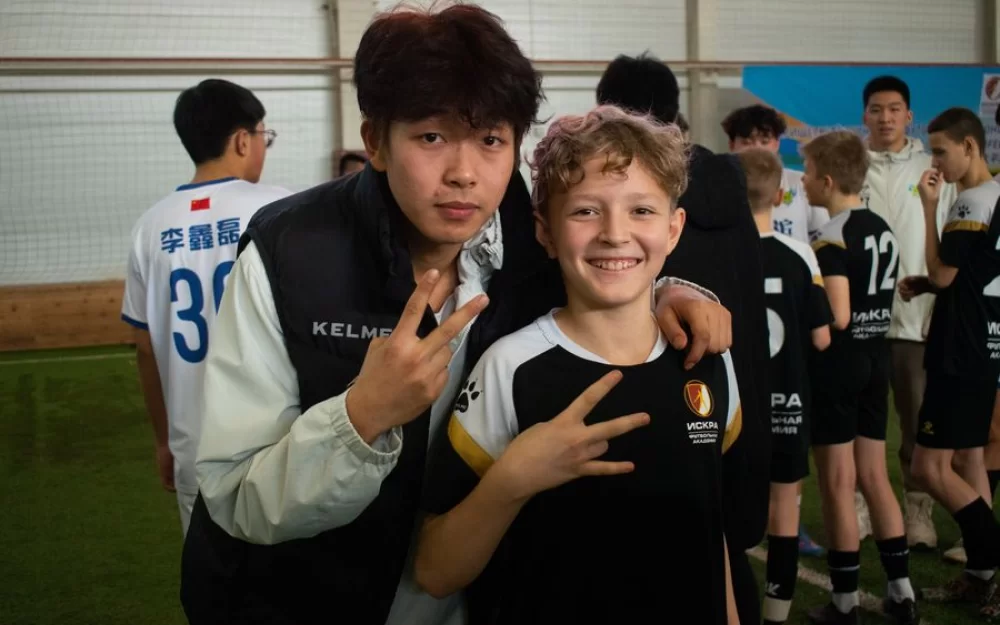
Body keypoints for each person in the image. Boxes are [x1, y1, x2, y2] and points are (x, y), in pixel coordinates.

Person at [178, 7, 731, 625]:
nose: (465, 174)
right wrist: (363, 416)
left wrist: (669, 291)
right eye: (431, 138)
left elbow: (608, 253)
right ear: (375, 142)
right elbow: (234, 495)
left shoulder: (531, 236)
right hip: (294, 600)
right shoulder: (290, 252)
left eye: (491, 139)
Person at [416, 105, 742, 625]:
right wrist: (512, 479)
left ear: (674, 229)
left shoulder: (707, 358)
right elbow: (434, 571)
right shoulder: (511, 368)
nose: (615, 233)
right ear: (545, 232)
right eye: (586, 211)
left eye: (641, 210)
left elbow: (708, 525)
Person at [596, 51, 771, 625]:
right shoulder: (729, 186)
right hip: (738, 398)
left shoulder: (638, 191)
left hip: (671, 408)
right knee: (725, 556)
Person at [120, 79, 289, 536]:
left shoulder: (150, 227)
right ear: (242, 140)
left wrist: (163, 442)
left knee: (211, 574)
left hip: (193, 451)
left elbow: (144, 348)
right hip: (278, 444)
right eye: (264, 136)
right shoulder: (281, 208)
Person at [804, 131, 916, 625]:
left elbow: (839, 315)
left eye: (809, 173)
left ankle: (844, 601)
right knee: (875, 475)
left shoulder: (831, 236)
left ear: (828, 181)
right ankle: (902, 592)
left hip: (840, 364)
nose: (804, 182)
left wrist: (804, 306)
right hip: (876, 359)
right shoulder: (881, 226)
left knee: (837, 481)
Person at [899, 108, 1000, 619]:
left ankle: (993, 554)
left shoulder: (970, 201)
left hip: (958, 349)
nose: (935, 161)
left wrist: (928, 206)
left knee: (929, 466)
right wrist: (933, 285)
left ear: (970, 147)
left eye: (941, 150)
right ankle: (981, 578)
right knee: (970, 460)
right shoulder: (997, 197)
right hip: (987, 344)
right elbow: (970, 275)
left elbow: (942, 273)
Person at [860, 75, 956, 550]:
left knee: (916, 419)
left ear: (909, 116)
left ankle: (918, 512)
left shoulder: (930, 168)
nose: (886, 118)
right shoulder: (852, 165)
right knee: (860, 420)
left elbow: (951, 240)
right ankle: (859, 506)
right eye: (877, 109)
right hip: (858, 320)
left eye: (894, 109)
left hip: (916, 318)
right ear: (865, 115)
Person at [738, 148, 833, 624]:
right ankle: (776, 615)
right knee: (783, 513)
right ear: (780, 196)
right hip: (789, 402)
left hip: (737, 408)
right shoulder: (800, 254)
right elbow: (821, 337)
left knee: (725, 509)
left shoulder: (725, 255)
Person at [723, 104, 829, 243]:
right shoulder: (718, 187)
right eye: (747, 143)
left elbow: (822, 235)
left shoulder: (801, 183)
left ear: (777, 144)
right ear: (731, 145)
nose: (757, 150)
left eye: (765, 142)